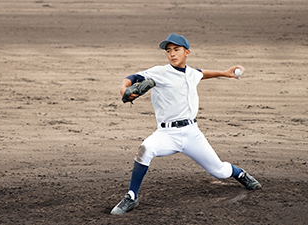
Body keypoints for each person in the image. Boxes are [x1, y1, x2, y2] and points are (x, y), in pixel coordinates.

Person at [111, 33, 261, 215]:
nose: (172, 54)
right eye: (168, 51)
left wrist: (225, 73)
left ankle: (240, 174)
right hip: (166, 134)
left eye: (176, 50)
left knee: (219, 171)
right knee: (145, 149)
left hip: (192, 134)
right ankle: (131, 196)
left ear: (187, 52)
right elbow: (132, 77)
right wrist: (123, 89)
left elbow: (201, 73)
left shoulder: (191, 73)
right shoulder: (159, 72)